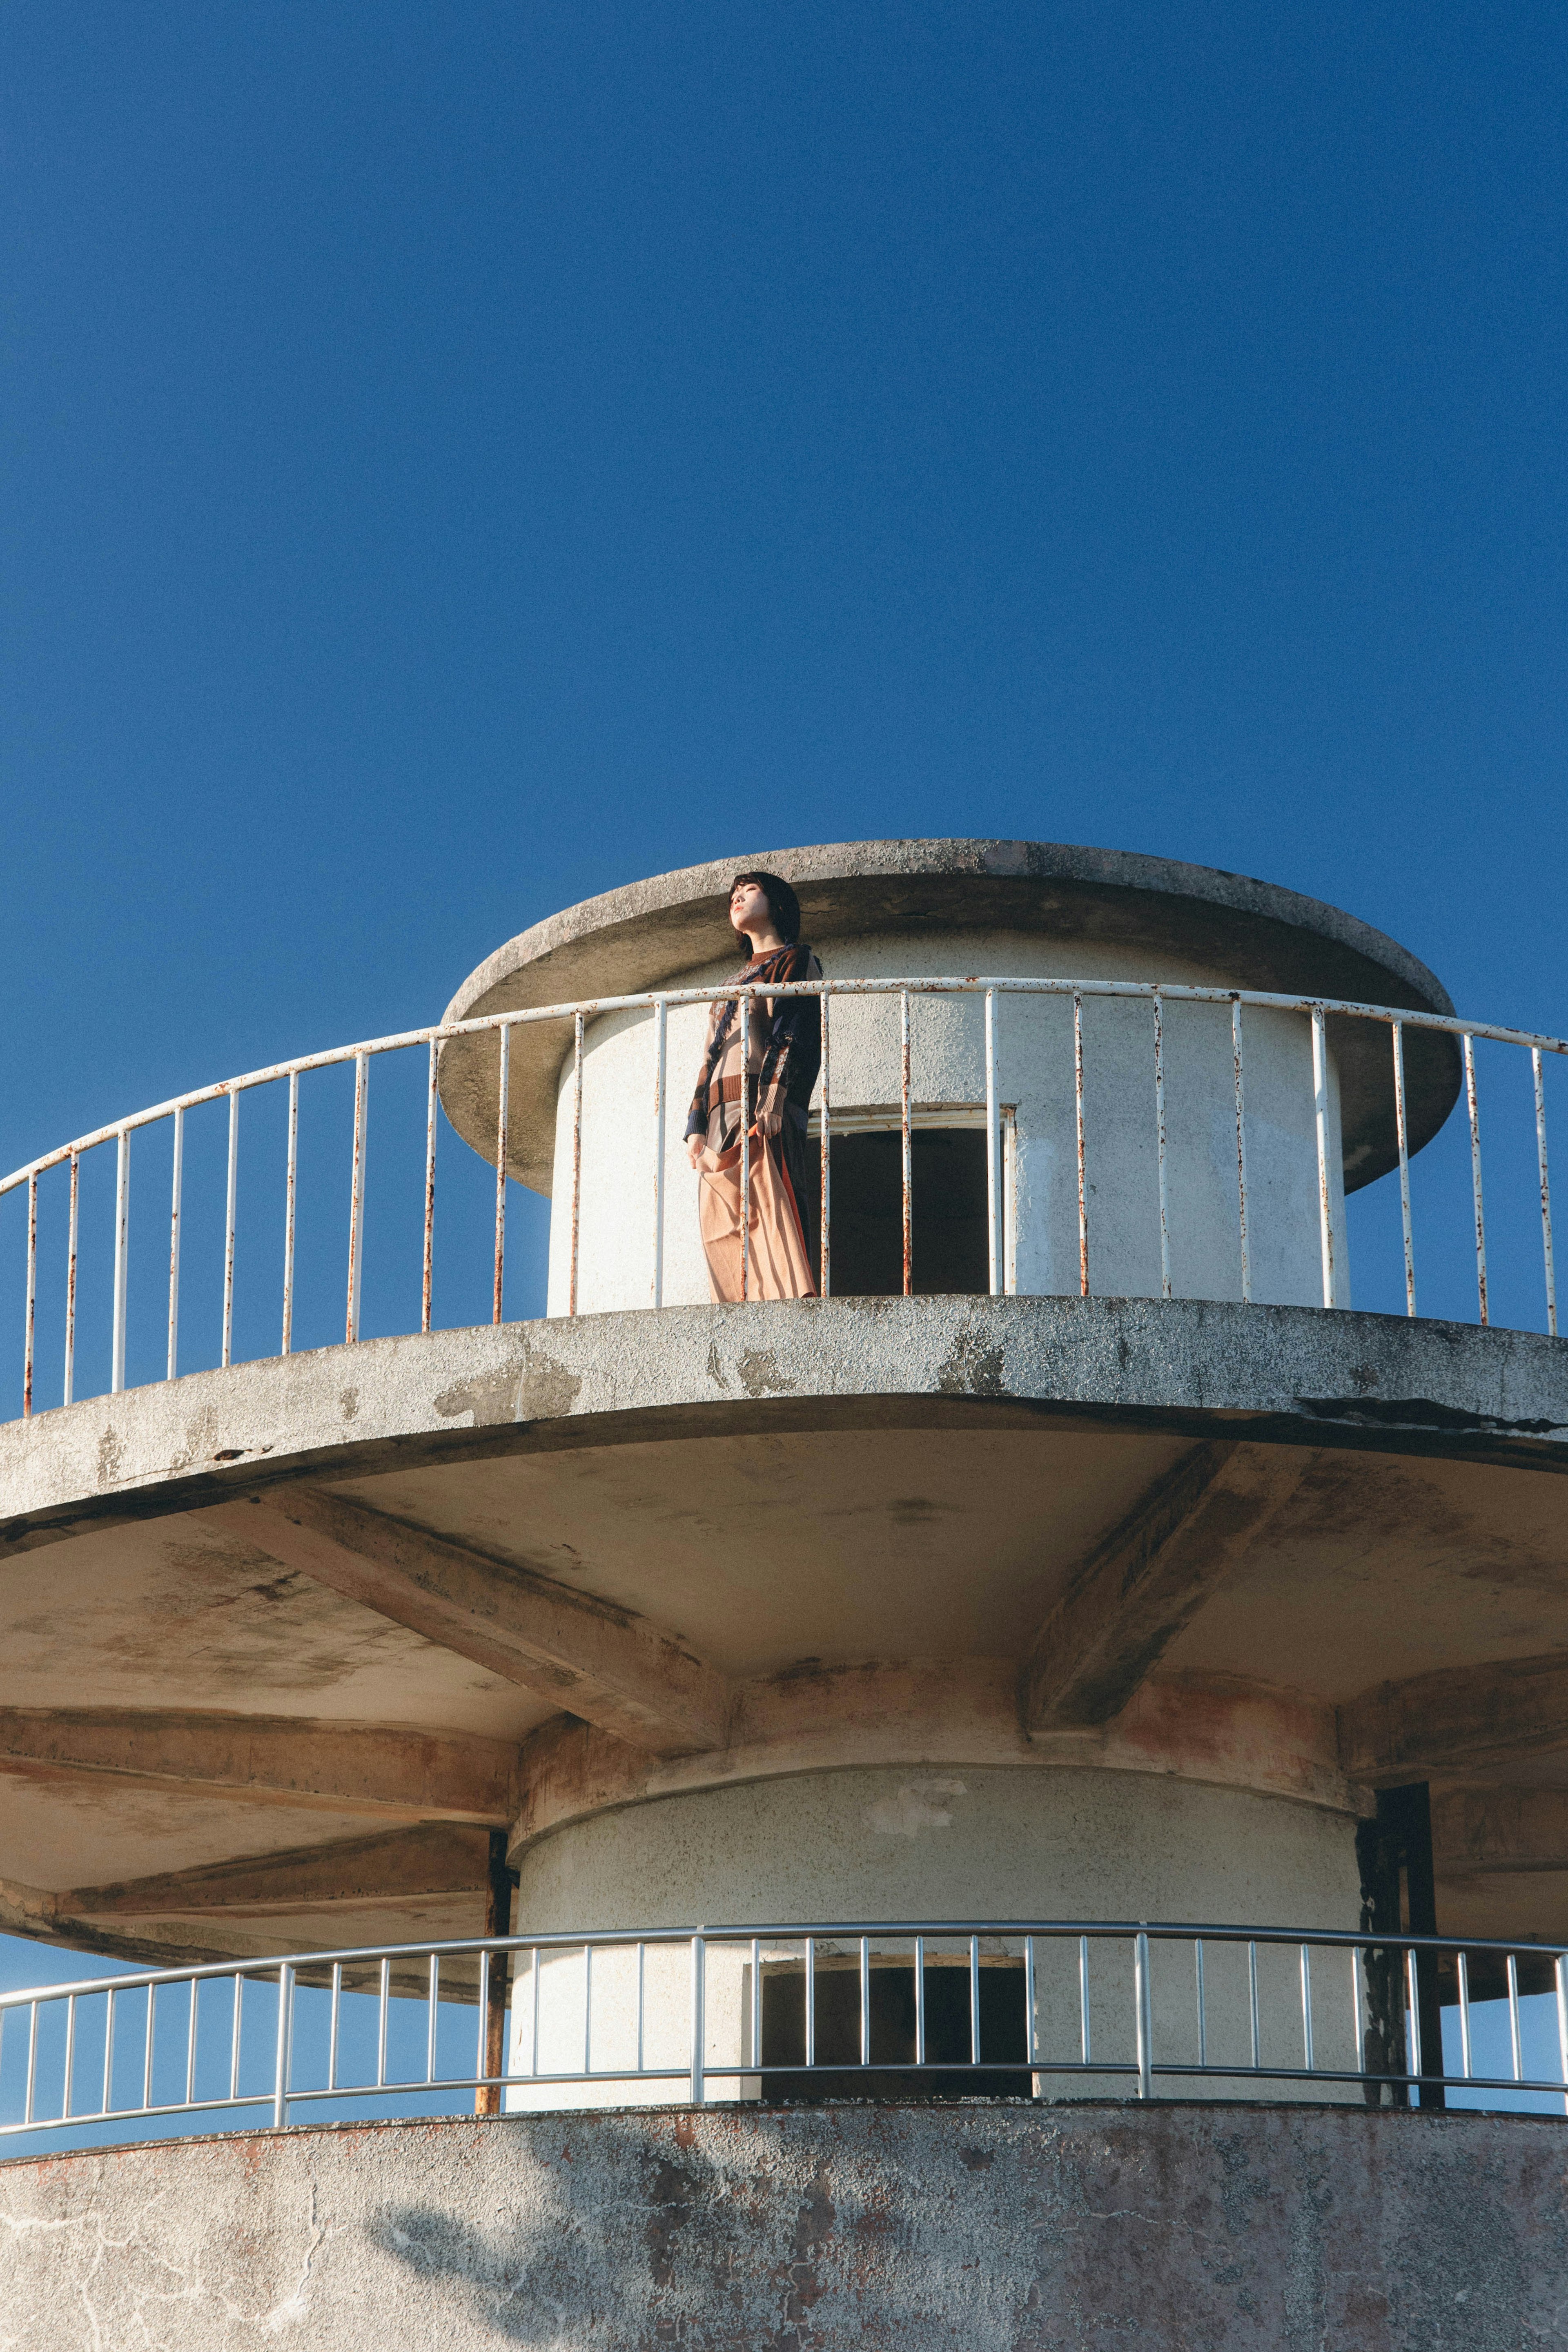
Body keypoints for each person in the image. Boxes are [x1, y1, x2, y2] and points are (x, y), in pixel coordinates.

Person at [685, 871, 823, 1301]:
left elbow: (791, 1032)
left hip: (764, 1100)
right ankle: (733, 1304)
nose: (737, 900)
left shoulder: (796, 959)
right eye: (732, 896)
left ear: (777, 903)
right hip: (720, 1107)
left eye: (749, 892)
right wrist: (694, 1124)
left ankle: (791, 1303)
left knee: (774, 1200)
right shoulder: (729, 983)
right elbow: (709, 1056)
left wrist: (775, 1099)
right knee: (722, 1211)